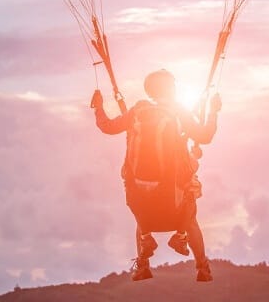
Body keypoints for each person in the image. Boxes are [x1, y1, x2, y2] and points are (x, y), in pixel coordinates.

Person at [91, 69, 221, 282]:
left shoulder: (138, 111)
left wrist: (98, 107)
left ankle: (143, 264)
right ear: (171, 89)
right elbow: (205, 136)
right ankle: (202, 267)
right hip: (173, 195)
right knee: (190, 218)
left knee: (141, 217)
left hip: (139, 197)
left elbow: (108, 127)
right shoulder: (178, 111)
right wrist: (214, 111)